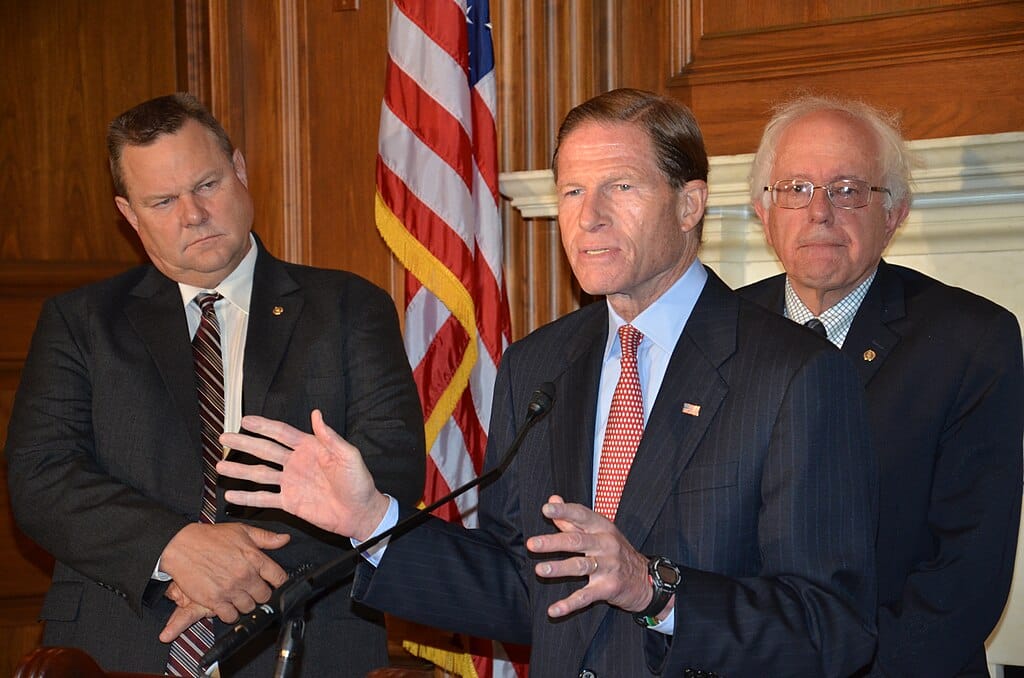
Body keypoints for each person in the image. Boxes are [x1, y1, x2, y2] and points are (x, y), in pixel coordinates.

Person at [215, 88, 879, 676]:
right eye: (570, 191)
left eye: (620, 186)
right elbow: (519, 583)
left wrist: (654, 588)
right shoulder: (538, 365)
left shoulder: (795, 374)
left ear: (689, 203)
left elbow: (832, 628)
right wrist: (371, 520)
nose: (588, 217)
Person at [4, 93, 426, 677]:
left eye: (206, 185)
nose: (193, 215)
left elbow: (390, 467)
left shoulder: (349, 308)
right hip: (118, 640)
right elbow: (41, 476)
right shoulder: (79, 323)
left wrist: (242, 571)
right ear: (129, 215)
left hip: (306, 638)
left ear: (240, 171)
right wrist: (174, 548)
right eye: (162, 201)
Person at [739, 95, 1024, 676]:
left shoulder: (972, 342)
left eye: (847, 190)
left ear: (893, 214)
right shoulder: (721, 334)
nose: (819, 212)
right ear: (763, 213)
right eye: (795, 188)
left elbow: (966, 577)